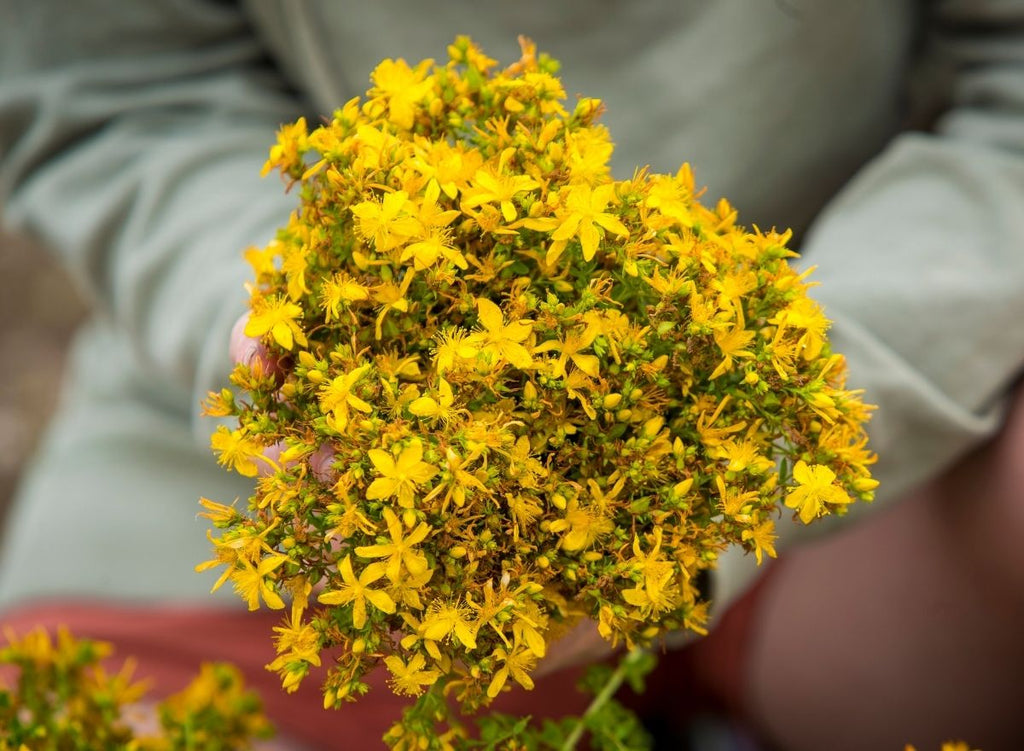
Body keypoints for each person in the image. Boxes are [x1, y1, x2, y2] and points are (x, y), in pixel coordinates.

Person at [2, 1, 1024, 748]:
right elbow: (117, 91)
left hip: (844, 397)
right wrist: (297, 323)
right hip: (306, 463)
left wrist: (744, 413)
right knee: (48, 712)